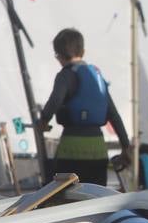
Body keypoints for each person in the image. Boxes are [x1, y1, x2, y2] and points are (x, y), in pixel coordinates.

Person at [37, 28, 130, 186]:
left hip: (71, 151)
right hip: (98, 151)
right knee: (95, 201)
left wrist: (43, 121)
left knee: (66, 201)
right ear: (83, 51)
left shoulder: (65, 75)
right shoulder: (97, 77)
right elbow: (114, 115)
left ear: (58, 55)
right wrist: (125, 147)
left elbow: (55, 100)